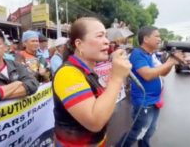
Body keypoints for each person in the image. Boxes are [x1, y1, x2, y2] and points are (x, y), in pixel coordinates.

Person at [52, 17, 132, 146]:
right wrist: (116, 78)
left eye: (106, 36)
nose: (107, 41)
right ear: (79, 44)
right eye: (99, 36)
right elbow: (95, 122)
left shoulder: (89, 70)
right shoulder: (67, 74)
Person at [122, 26, 184, 147]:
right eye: (157, 36)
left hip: (154, 101)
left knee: (149, 131)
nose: (159, 39)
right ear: (146, 39)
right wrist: (170, 62)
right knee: (137, 132)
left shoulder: (151, 55)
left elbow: (164, 73)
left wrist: (172, 62)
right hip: (144, 102)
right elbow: (147, 75)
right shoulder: (137, 54)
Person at [0, 26, 39, 109]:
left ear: (5, 47)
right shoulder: (19, 57)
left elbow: (33, 83)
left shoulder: (16, 65)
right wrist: (16, 84)